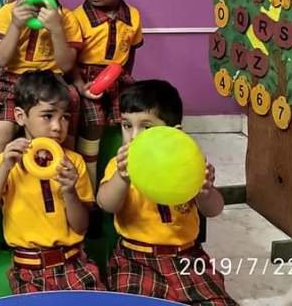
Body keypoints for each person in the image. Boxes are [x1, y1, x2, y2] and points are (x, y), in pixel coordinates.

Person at [97, 80, 237, 305]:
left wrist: (205, 192)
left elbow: (214, 209)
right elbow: (106, 203)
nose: (133, 137)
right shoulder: (120, 166)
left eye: (146, 127)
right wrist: (121, 179)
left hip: (187, 256)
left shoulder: (188, 164)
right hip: (136, 258)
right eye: (126, 125)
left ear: (175, 134)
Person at [0, 70, 105, 294]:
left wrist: (70, 191)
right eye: (47, 116)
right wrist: (5, 167)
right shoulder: (5, 162)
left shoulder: (73, 162)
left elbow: (81, 226)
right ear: (20, 116)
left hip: (74, 263)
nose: (57, 126)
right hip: (29, 269)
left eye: (64, 117)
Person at [0, 0, 81, 156]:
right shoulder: (8, 12)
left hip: (51, 81)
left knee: (67, 118)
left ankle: (66, 167)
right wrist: (15, 25)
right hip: (13, 79)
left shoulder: (67, 18)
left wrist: (56, 29)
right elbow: (1, 59)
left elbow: (66, 65)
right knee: (2, 128)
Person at [71, 0, 143, 185]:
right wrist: (80, 84)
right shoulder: (77, 18)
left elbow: (131, 51)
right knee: (93, 122)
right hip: (86, 78)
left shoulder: (133, 17)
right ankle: (90, 179)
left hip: (118, 76)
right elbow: (70, 59)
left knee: (136, 112)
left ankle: (128, 169)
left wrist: (126, 79)